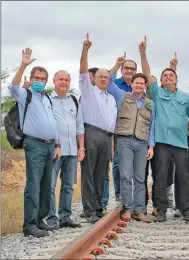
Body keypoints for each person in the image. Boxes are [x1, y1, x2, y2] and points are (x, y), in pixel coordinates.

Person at [139, 36, 189, 223]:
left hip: (180, 143)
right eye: (164, 76)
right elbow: (148, 75)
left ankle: (186, 209)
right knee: (161, 177)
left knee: (183, 176)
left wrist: (182, 127)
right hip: (162, 143)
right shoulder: (157, 93)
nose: (167, 77)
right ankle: (161, 209)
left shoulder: (185, 97)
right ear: (162, 82)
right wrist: (143, 53)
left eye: (170, 75)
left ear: (175, 79)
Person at [8, 48, 61, 237]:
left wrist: (56, 145)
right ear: (30, 79)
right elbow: (13, 86)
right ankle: (29, 225)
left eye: (42, 79)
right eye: (36, 78)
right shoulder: (25, 94)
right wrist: (23, 65)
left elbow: (52, 123)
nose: (39, 81)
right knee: (34, 185)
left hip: (49, 145)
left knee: (47, 184)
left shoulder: (46, 97)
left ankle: (40, 220)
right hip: (34, 145)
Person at [107, 67, 155, 223]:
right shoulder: (122, 96)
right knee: (126, 176)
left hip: (142, 143)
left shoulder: (150, 104)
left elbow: (152, 126)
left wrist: (151, 145)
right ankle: (127, 209)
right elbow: (109, 82)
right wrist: (116, 65)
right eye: (137, 83)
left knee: (140, 177)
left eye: (142, 83)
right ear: (132, 84)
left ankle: (139, 210)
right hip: (125, 140)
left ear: (145, 86)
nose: (139, 86)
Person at [79, 33, 117, 224]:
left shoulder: (111, 99)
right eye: (100, 76)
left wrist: (111, 144)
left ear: (110, 80)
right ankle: (89, 210)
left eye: (106, 77)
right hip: (91, 134)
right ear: (94, 79)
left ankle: (98, 208)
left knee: (101, 174)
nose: (103, 79)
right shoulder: (88, 91)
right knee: (89, 174)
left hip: (106, 138)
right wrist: (85, 50)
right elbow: (83, 71)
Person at [46, 70, 84, 229]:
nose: (63, 82)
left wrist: (81, 148)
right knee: (50, 185)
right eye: (60, 79)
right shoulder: (47, 100)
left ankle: (65, 217)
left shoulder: (74, 100)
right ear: (54, 81)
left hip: (72, 150)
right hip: (55, 151)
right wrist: (56, 144)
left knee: (68, 185)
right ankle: (51, 217)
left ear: (69, 82)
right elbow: (48, 124)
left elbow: (79, 126)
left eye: (66, 80)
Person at [109, 53, 139, 203]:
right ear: (122, 70)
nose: (129, 71)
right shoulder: (116, 84)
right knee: (117, 162)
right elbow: (106, 80)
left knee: (133, 163)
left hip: (134, 129)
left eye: (132, 69)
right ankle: (119, 192)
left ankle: (131, 192)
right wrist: (116, 64)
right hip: (117, 128)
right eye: (126, 68)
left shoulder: (139, 85)